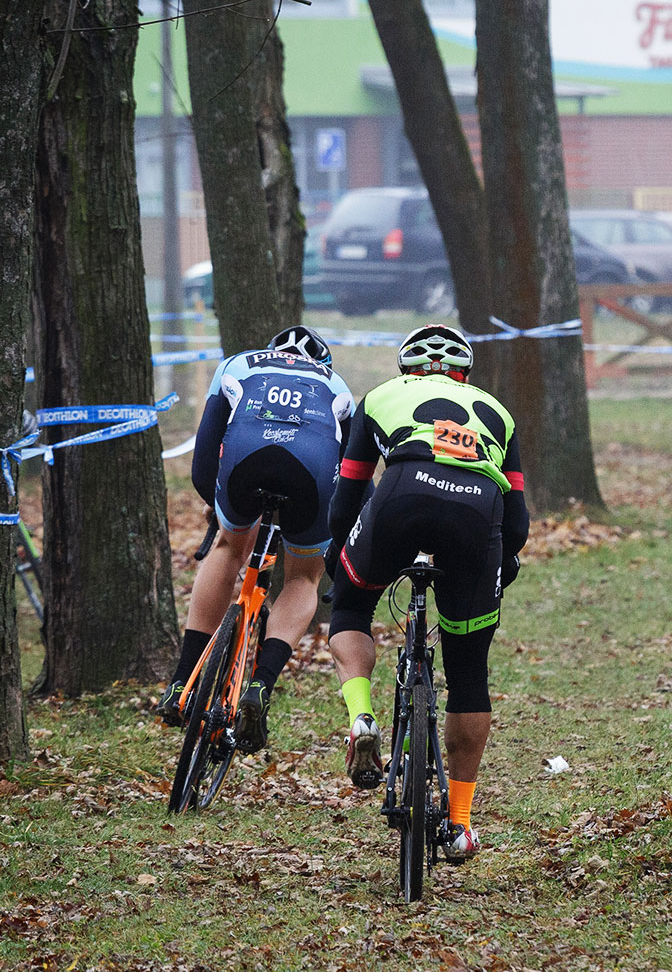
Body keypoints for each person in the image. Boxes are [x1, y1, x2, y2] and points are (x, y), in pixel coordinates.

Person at [325, 323, 528, 861]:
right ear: (465, 374)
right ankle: (459, 823)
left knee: (350, 604)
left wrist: (339, 562)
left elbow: (347, 497)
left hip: (402, 495)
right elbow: (519, 521)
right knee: (467, 672)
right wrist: (502, 563)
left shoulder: (378, 399)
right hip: (477, 507)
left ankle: (362, 716)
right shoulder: (498, 410)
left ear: (406, 369)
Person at [157, 326, 354, 751]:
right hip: (312, 470)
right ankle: (260, 686)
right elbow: (353, 476)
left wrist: (220, 508)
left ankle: (181, 684)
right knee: (303, 577)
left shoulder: (238, 364)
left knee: (228, 548)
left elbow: (205, 458)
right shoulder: (336, 385)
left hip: (245, 458)